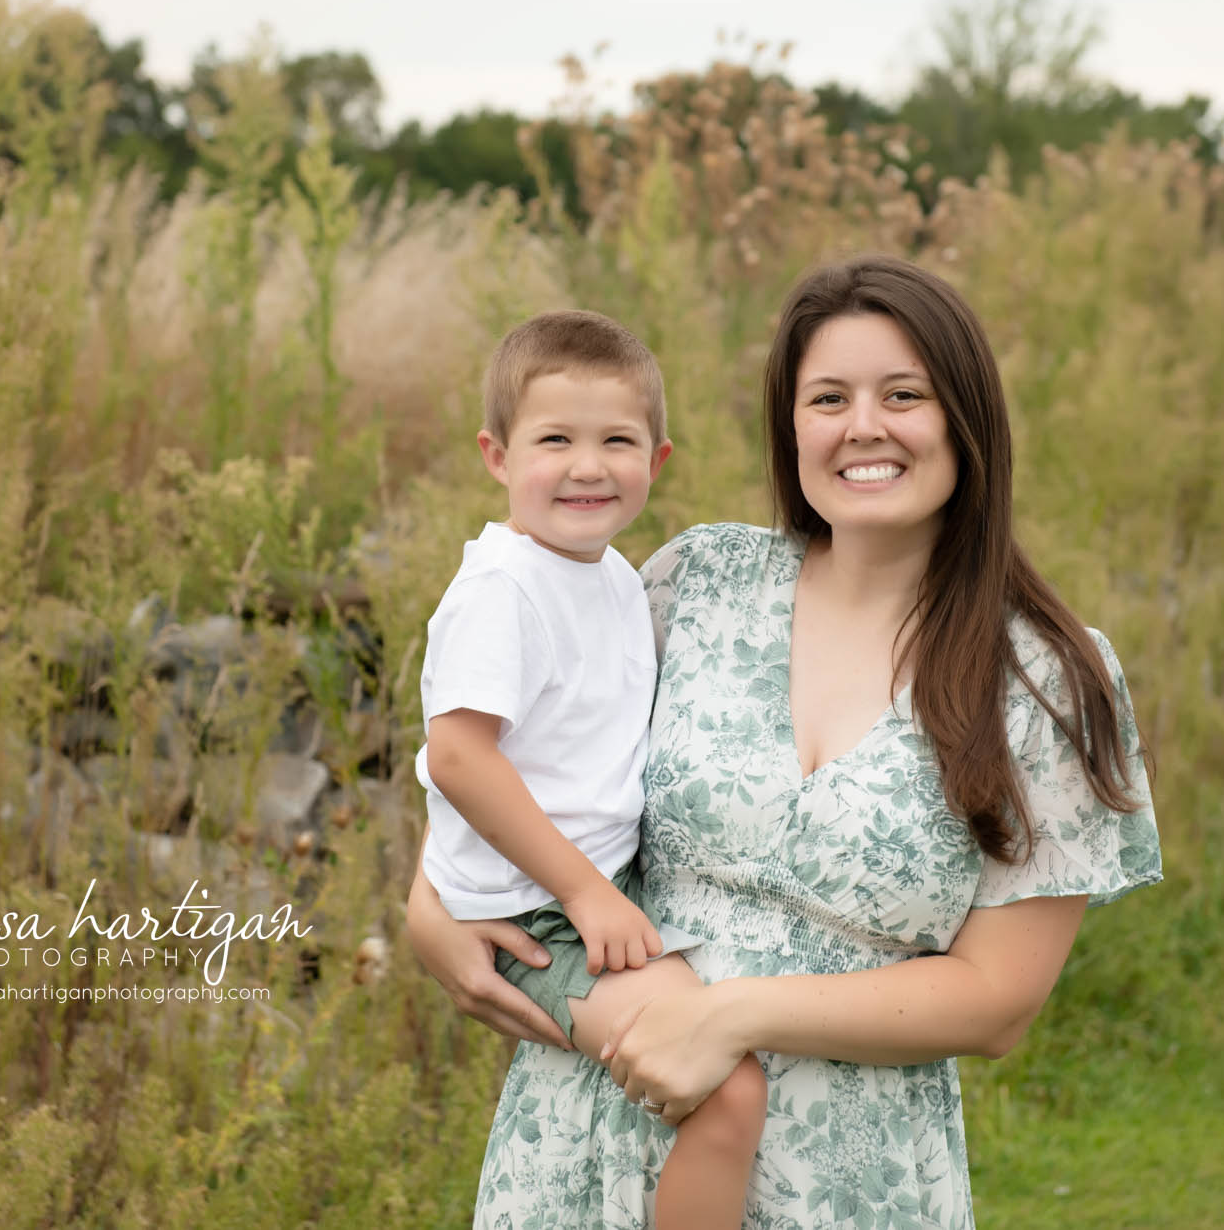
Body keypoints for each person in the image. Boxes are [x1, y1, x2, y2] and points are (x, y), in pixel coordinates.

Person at [408, 258, 1161, 1228]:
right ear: (790, 424)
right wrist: (430, 903)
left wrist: (732, 1015)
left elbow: (998, 1001)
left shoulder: (1048, 680)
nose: (863, 426)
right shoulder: (696, 582)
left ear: (965, 419)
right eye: (827, 398)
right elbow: (527, 750)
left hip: (849, 1175)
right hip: (592, 1130)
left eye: (903, 395)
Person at [411, 309, 768, 1230]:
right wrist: (586, 893)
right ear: (496, 455)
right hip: (537, 913)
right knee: (725, 1086)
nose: (587, 465)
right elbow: (457, 756)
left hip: (586, 888)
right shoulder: (503, 590)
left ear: (658, 459)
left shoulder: (610, 574)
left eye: (617, 441)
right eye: (555, 440)